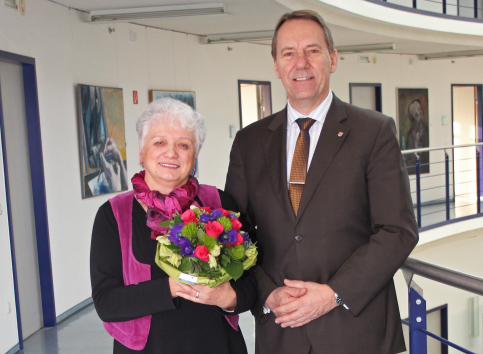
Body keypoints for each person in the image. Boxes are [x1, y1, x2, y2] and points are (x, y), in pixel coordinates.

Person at [225, 10, 418, 354]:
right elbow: (235, 234)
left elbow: (397, 230)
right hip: (281, 331)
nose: (301, 63)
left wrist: (332, 294)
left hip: (358, 333)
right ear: (275, 64)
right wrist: (267, 293)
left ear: (332, 59)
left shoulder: (374, 131)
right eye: (289, 53)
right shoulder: (249, 142)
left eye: (312, 51)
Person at [91, 97, 255, 353]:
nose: (171, 153)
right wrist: (172, 287)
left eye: (183, 145)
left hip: (218, 345)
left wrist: (229, 298)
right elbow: (106, 303)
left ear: (195, 154)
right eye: (159, 142)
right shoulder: (113, 215)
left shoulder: (219, 202)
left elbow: (252, 282)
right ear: (141, 151)